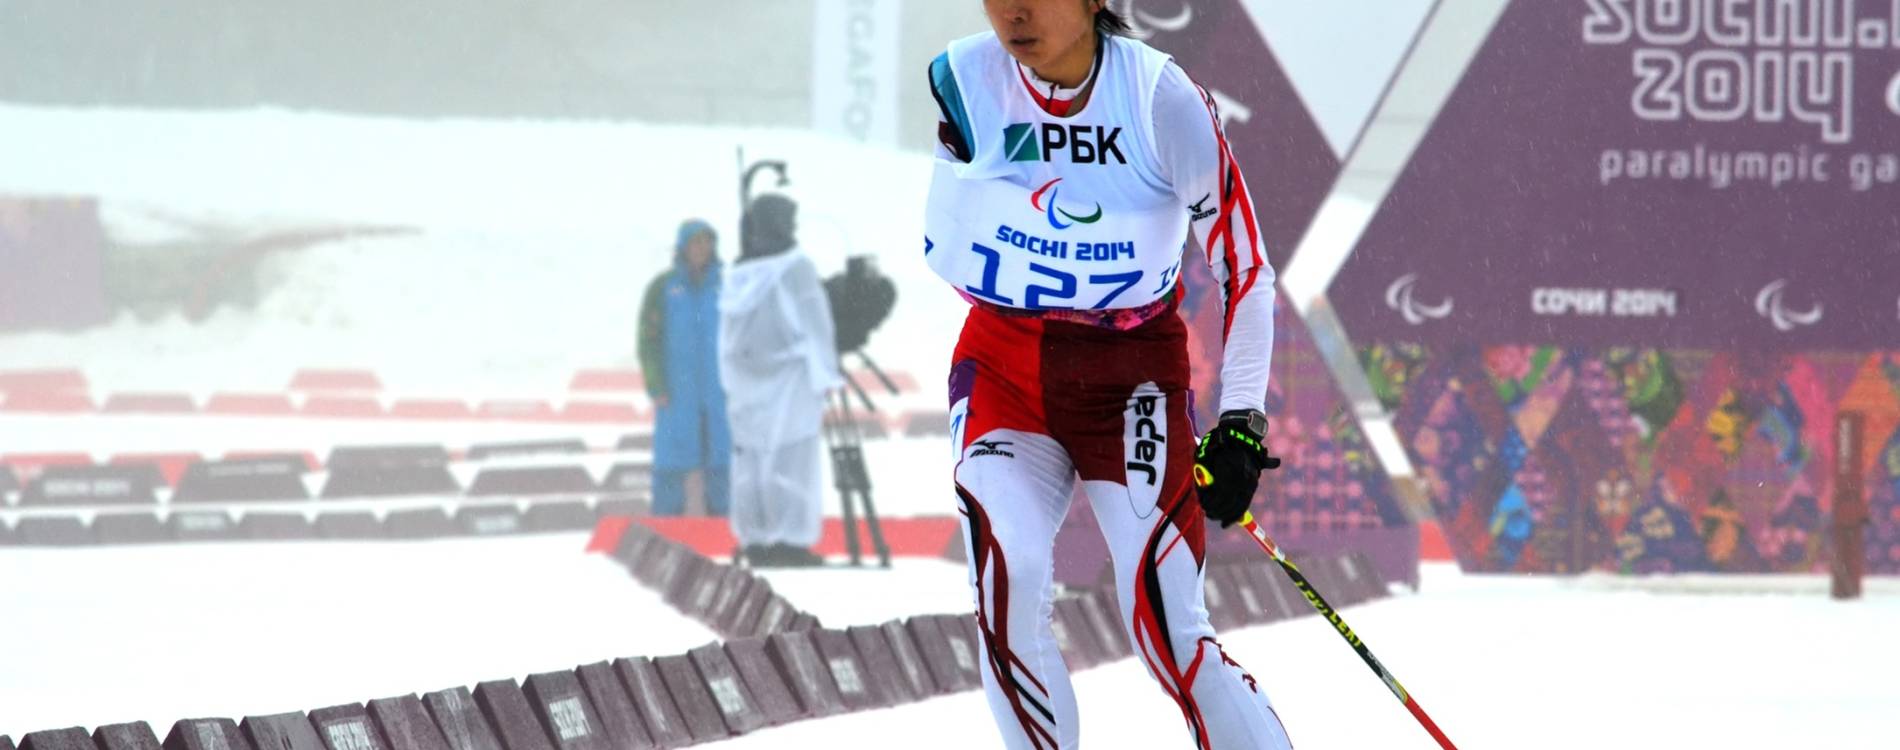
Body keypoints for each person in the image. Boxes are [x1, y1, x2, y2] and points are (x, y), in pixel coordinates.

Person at [924, 2, 1289, 747]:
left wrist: (1242, 423)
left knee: (1167, 627)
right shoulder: (964, 77)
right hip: (1006, 362)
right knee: (1008, 573)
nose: (1014, 12)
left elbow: (1245, 268)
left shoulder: (1161, 97)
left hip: (1129, 380)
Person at [718, 194, 843, 567]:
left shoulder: (739, 273)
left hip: (745, 383)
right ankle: (791, 539)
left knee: (751, 462)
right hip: (792, 382)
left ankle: (755, 537)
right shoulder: (795, 268)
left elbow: (726, 339)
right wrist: (827, 373)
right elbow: (815, 324)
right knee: (793, 460)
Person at [638, 219, 732, 517]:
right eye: (695, 242)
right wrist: (655, 385)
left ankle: (725, 524)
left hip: (718, 390)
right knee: (673, 459)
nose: (701, 249)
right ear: (682, 247)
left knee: (721, 456)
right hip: (677, 391)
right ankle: (668, 523)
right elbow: (647, 340)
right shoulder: (663, 288)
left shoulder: (726, 287)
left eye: (707, 242)